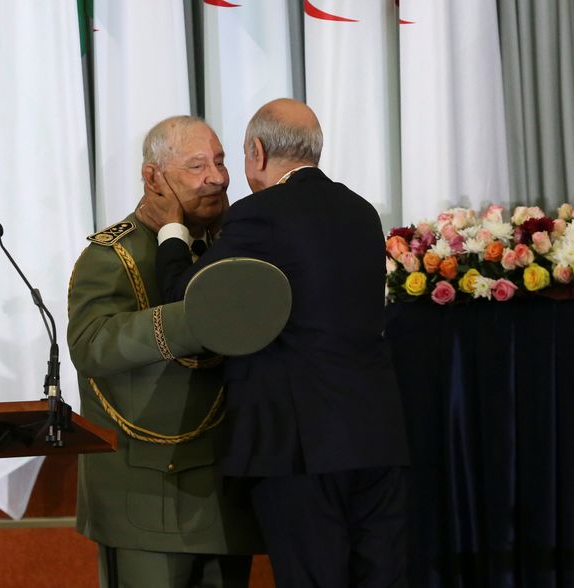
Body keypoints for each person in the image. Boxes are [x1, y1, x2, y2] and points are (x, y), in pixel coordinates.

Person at [149, 99, 410, 587]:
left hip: (302, 448)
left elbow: (186, 297)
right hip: (378, 438)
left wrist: (171, 230)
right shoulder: (361, 212)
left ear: (257, 151)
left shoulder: (260, 215)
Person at [67, 115, 263, 588]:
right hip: (148, 496)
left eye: (219, 161)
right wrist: (195, 319)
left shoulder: (237, 241)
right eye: (197, 166)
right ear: (153, 177)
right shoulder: (112, 254)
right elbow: (90, 346)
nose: (217, 177)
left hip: (227, 491)